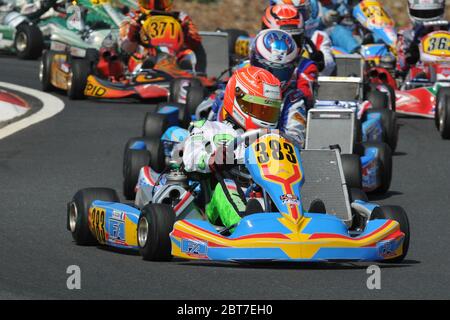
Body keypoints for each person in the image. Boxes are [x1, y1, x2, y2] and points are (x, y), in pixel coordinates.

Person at [182, 66, 284, 229]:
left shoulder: (274, 139)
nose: (264, 116)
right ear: (238, 102)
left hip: (263, 197)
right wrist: (211, 160)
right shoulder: (209, 128)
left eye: (269, 111)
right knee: (228, 186)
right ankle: (245, 225)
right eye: (258, 109)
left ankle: (303, 222)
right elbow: (189, 158)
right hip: (218, 202)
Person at [119, 0, 206, 73]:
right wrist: (133, 32)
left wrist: (186, 31)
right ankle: (139, 74)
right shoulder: (133, 19)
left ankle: (198, 76)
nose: (155, 5)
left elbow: (196, 41)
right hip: (145, 59)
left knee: (191, 53)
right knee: (132, 56)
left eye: (161, 1)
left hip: (174, 59)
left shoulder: (180, 17)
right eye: (148, 1)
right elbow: (126, 49)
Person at [268, 0, 336, 75]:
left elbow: (328, 67)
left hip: (306, 82)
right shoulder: (268, 37)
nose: (297, 18)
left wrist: (319, 61)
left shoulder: (318, 37)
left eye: (301, 12)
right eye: (290, 13)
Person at [397, 0, 447, 74]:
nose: (427, 18)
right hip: (420, 77)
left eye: (432, 13)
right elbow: (401, 66)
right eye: (421, 13)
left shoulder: (447, 31)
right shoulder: (407, 35)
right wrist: (411, 53)